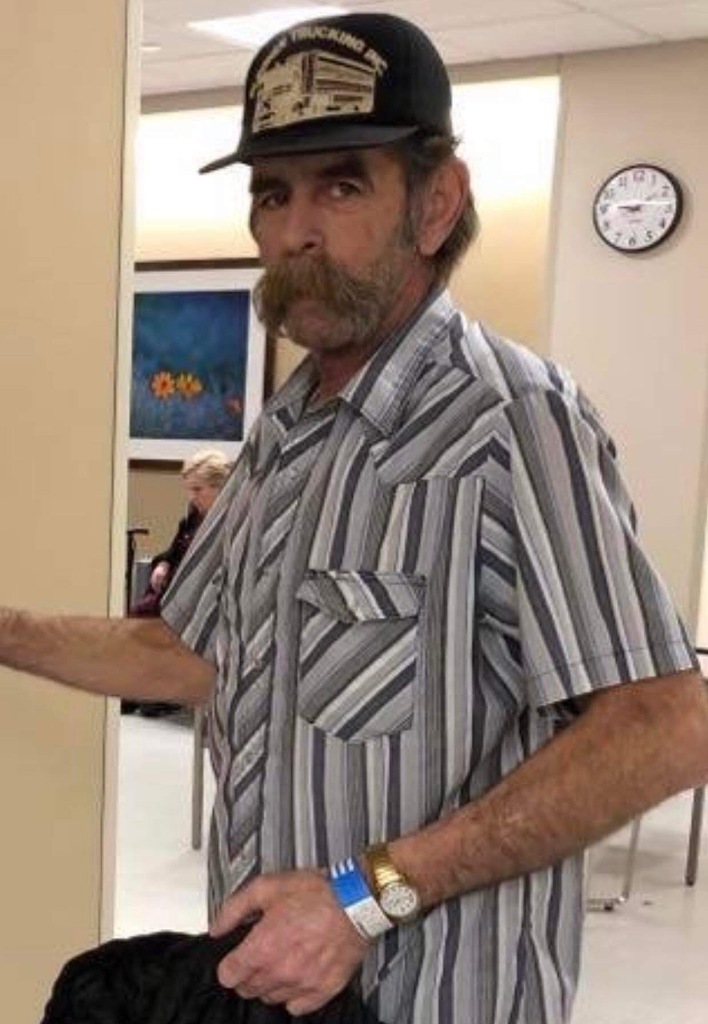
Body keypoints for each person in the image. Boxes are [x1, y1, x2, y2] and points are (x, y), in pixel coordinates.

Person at [1, 12, 707, 1024]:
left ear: (436, 203)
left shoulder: (512, 420)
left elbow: (668, 724)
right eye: (272, 193)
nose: (296, 231)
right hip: (269, 990)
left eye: (341, 187)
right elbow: (190, 657)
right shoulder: (286, 429)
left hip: (438, 998)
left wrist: (365, 899)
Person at [125, 448, 231, 716]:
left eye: (198, 490)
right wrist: (163, 563)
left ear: (220, 487)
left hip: (204, 593)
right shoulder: (194, 514)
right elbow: (175, 548)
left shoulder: (233, 519)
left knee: (158, 619)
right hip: (175, 587)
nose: (192, 497)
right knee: (141, 616)